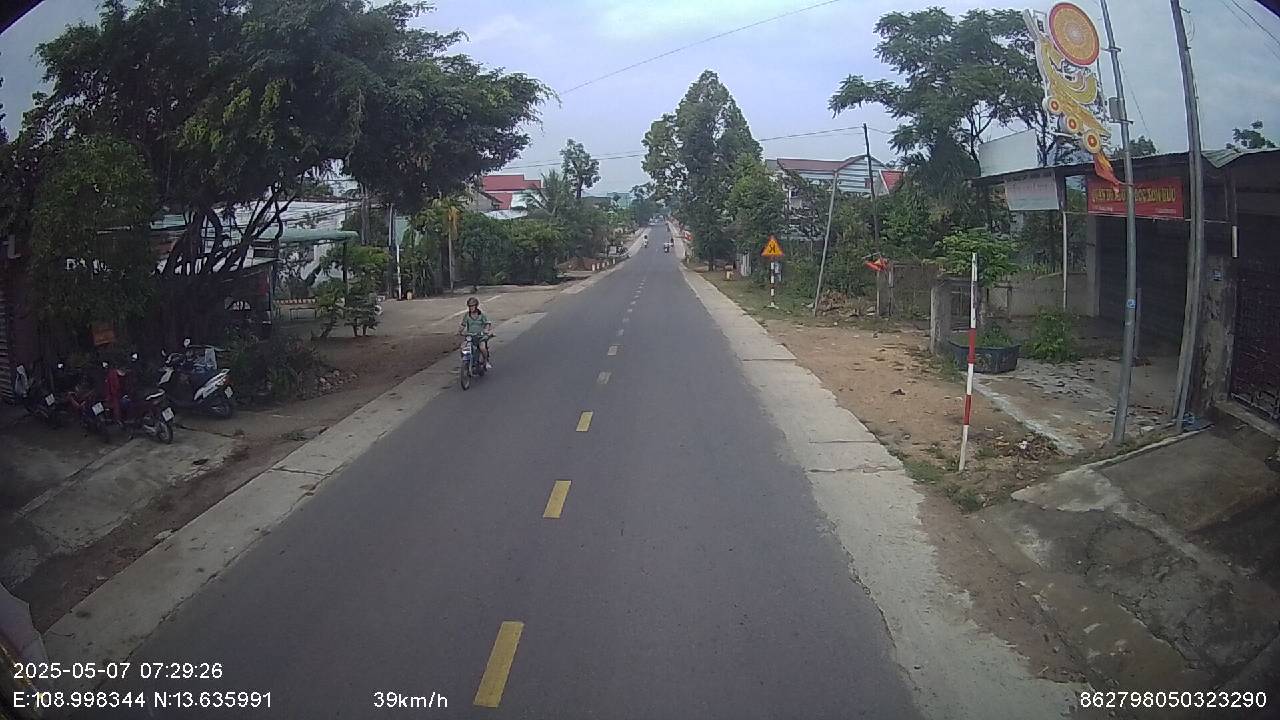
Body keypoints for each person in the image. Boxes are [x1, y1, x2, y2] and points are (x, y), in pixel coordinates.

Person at [458, 296, 492, 369]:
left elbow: (487, 323)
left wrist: (486, 330)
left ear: (476, 306)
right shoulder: (467, 315)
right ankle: (466, 361)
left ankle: (486, 361)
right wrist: (460, 331)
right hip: (470, 336)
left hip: (480, 336)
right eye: (469, 306)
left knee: (482, 348)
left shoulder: (481, 315)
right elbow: (463, 324)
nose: (471, 308)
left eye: (472, 306)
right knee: (462, 348)